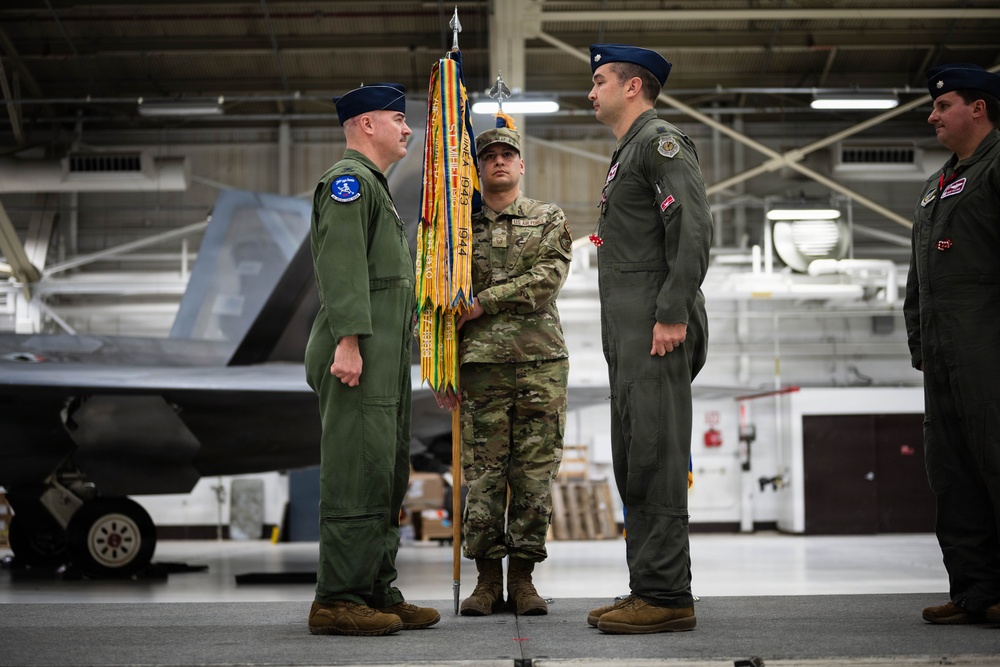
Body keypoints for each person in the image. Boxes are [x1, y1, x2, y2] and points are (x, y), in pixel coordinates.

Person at [584, 44, 713, 634]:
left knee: (656, 457)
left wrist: (672, 312)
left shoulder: (660, 143)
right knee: (636, 457)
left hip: (656, 329)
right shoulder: (628, 151)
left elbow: (692, 227)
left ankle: (666, 594)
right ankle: (648, 586)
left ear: (632, 87)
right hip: (631, 333)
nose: (591, 92)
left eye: (600, 80)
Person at [304, 82, 440, 636]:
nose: (407, 128)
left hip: (381, 357)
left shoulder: (375, 188)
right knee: (356, 473)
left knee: (385, 472)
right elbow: (341, 267)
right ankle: (338, 599)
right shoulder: (349, 183)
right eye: (397, 119)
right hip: (356, 353)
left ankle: (376, 589)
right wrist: (349, 342)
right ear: (366, 124)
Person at [434, 124, 573, 616]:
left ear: (520, 165)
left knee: (534, 477)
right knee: (484, 479)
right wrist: (439, 367)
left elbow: (547, 278)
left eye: (506, 155)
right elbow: (435, 299)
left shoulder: (548, 217)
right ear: (478, 168)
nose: (498, 161)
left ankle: (524, 580)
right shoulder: (456, 230)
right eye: (489, 155)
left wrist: (484, 301)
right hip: (479, 369)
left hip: (541, 365)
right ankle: (488, 581)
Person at [904, 63, 1000, 626]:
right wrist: (921, 344)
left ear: (978, 108)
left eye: (943, 106)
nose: (932, 116)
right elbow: (919, 278)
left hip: (988, 351)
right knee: (953, 474)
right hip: (944, 359)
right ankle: (975, 592)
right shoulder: (937, 185)